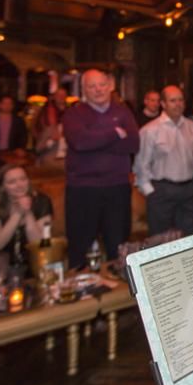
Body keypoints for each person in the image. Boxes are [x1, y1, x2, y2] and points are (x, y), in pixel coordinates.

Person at [62, 69, 139, 268]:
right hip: (82, 190)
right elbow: (80, 142)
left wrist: (94, 139)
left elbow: (133, 144)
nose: (98, 90)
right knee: (79, 246)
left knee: (119, 246)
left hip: (117, 188)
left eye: (102, 85)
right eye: (92, 86)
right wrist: (114, 133)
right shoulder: (73, 114)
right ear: (84, 90)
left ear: (110, 86)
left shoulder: (123, 111)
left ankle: (119, 285)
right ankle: (81, 284)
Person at [133, 86, 193, 236]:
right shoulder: (150, 130)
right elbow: (141, 164)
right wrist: (150, 191)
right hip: (162, 191)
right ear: (163, 104)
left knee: (190, 239)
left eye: (180, 100)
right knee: (162, 241)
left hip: (190, 190)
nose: (178, 104)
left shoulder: (192, 127)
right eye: (172, 101)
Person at [0, 164, 53, 274]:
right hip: (3, 267)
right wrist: (17, 215)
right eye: (12, 182)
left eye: (23, 179)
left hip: (35, 265)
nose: (19, 185)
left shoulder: (42, 201)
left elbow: (39, 245)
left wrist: (27, 212)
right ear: (2, 186)